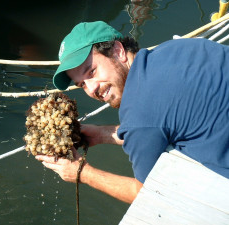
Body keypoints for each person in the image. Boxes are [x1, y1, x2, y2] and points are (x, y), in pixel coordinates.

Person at [35, 21, 229, 204]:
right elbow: (161, 123)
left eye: (91, 72)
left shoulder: (139, 113)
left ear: (118, 51)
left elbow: (148, 194)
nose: (91, 89)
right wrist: (104, 134)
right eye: (82, 84)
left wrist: (82, 173)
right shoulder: (176, 48)